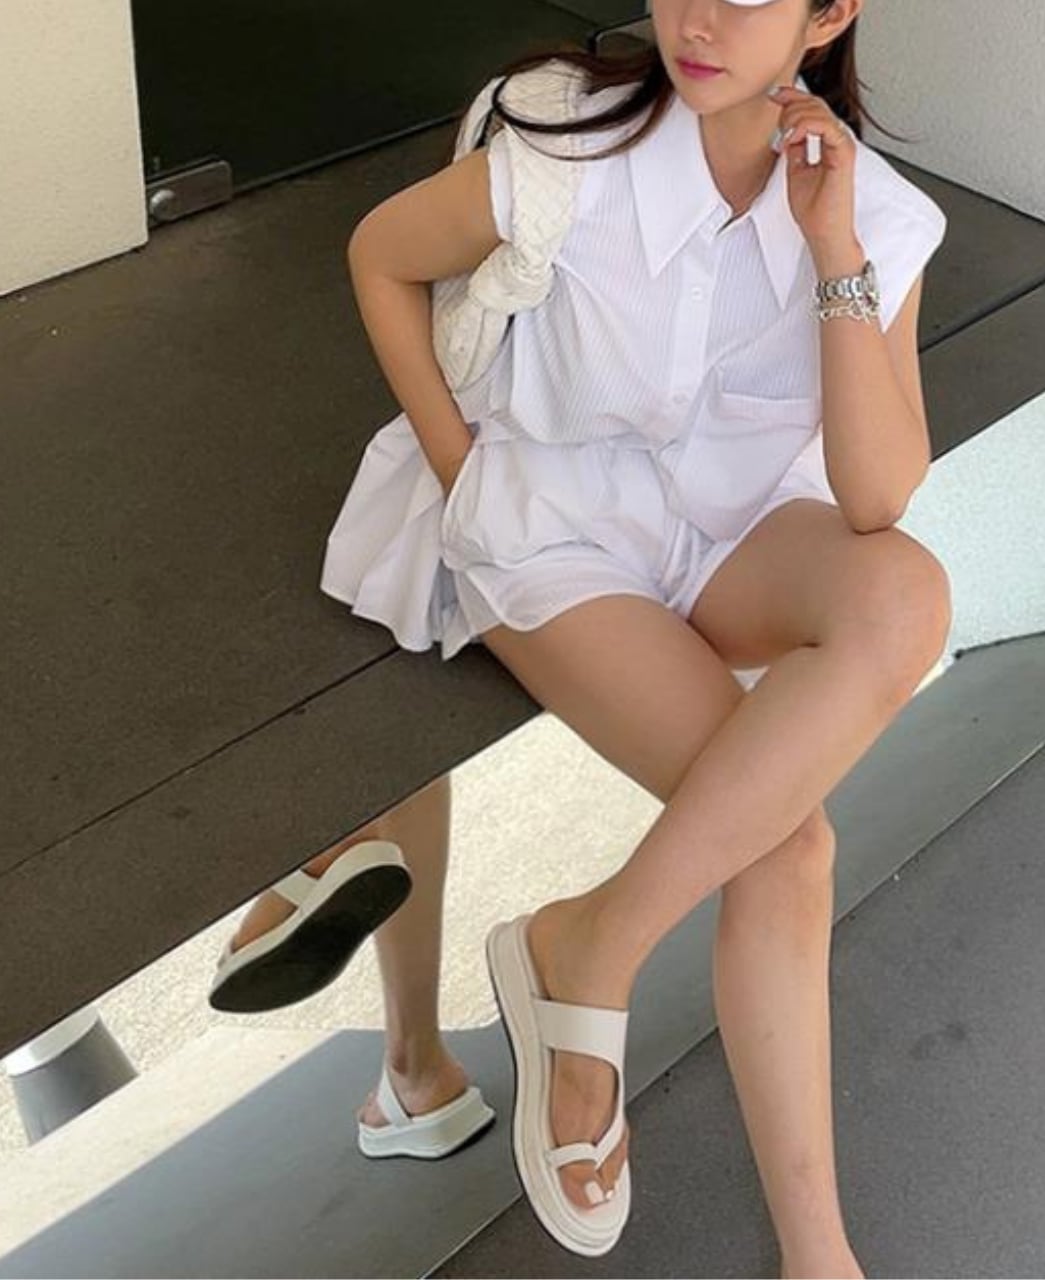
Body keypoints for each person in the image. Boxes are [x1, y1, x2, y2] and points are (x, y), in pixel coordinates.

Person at [220, 0, 952, 1273]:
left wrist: (829, 243)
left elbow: (877, 492)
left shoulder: (872, 212)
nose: (698, 19)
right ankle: (817, 1253)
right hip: (557, 528)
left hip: (730, 531)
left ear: (830, 12)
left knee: (905, 592)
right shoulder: (569, 150)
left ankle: (590, 942)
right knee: (786, 843)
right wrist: (461, 473)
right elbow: (380, 255)